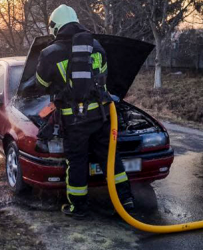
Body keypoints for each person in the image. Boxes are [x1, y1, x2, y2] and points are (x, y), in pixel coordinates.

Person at [34, 4, 134, 217]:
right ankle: (125, 199)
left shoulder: (50, 53)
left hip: (74, 120)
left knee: (78, 162)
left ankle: (78, 207)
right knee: (110, 158)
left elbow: (40, 84)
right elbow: (105, 78)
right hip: (102, 116)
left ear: (55, 27)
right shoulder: (96, 46)